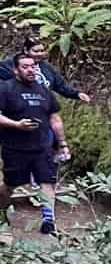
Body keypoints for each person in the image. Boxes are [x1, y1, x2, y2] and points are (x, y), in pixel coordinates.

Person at [0, 52, 69, 236]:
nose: (31, 70)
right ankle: (2, 213)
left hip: (41, 147)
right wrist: (16, 125)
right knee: (10, 185)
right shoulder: (5, 89)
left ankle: (49, 220)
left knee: (47, 181)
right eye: (25, 67)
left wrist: (62, 143)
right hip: (15, 148)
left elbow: (54, 117)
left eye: (33, 66)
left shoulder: (44, 90)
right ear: (16, 70)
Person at [0, 50, 91, 103]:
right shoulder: (11, 64)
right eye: (36, 51)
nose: (40, 53)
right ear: (26, 50)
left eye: (42, 51)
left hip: (43, 107)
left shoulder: (46, 68)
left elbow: (60, 85)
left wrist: (76, 94)